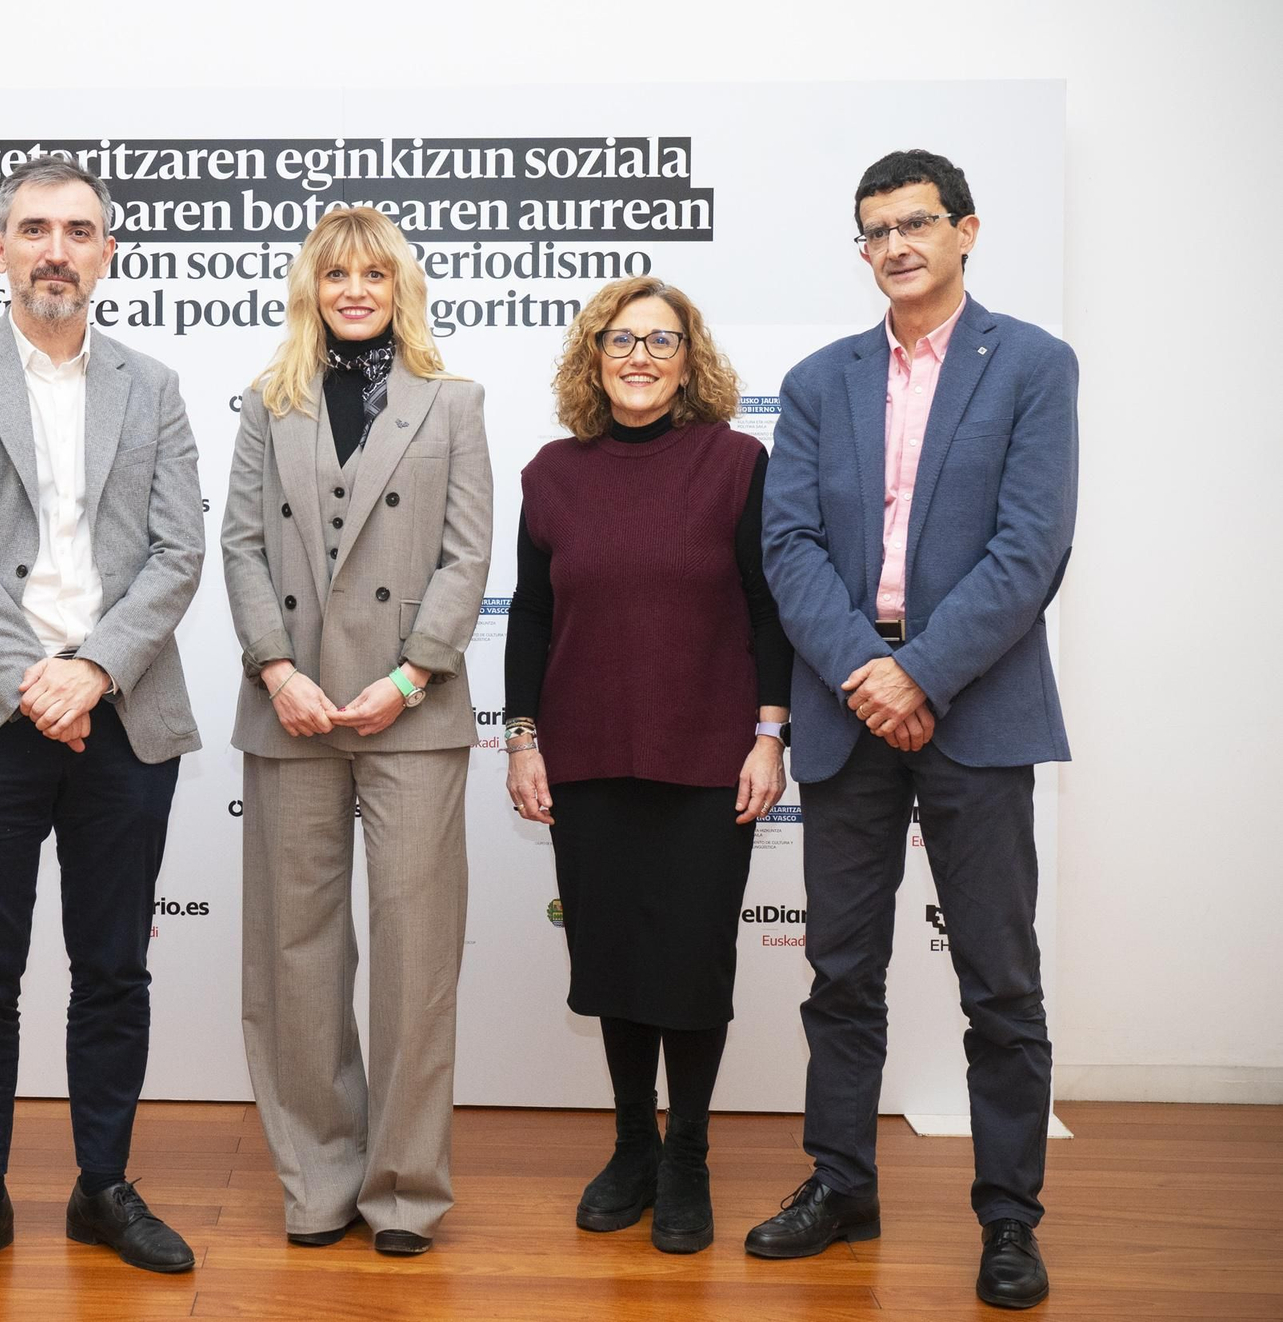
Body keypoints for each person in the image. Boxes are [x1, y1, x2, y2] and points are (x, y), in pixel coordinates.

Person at [753, 149, 1078, 1311]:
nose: (893, 245)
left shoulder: (1030, 363)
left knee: (998, 980)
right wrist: (863, 671)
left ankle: (1007, 1217)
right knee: (840, 971)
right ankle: (840, 1185)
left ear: (964, 230)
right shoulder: (814, 381)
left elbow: (1030, 547)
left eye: (914, 223)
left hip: (974, 703)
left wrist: (919, 672)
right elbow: (787, 544)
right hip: (849, 704)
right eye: (874, 230)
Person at [0, 156, 205, 1290]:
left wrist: (94, 671)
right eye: (34, 229)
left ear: (106, 252)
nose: (56, 250)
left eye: (78, 230)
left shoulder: (153, 384)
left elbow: (179, 552)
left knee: (113, 968)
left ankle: (101, 1187)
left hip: (122, 714)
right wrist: (36, 678)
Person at [221, 206, 492, 1257]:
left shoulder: (453, 402)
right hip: (290, 707)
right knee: (293, 959)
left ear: (399, 287)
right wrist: (275, 668)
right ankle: (319, 1178)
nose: (353, 291)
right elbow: (241, 546)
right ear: (311, 288)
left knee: (415, 960)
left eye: (373, 275)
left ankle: (405, 1191)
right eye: (335, 275)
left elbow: (467, 555)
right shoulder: (268, 402)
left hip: (409, 709)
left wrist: (412, 674)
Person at [503, 278, 791, 1254]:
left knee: (690, 964)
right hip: (586, 757)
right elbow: (531, 613)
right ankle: (632, 1144)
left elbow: (767, 604)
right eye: (620, 340)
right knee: (615, 960)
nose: (639, 356)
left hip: (707, 755)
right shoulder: (551, 473)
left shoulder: (736, 462)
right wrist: (523, 737)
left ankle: (687, 1155)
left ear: (688, 359)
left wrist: (769, 733)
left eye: (660, 341)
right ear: (593, 357)